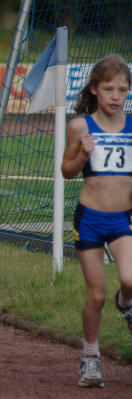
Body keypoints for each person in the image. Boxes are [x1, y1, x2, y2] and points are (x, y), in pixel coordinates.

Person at [61, 54, 132, 388]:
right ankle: (90, 356)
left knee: (130, 280)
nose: (115, 96)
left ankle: (127, 304)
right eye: (108, 89)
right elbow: (66, 171)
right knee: (97, 296)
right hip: (89, 219)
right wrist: (83, 155)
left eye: (122, 90)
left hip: (122, 219)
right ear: (94, 89)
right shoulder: (80, 126)